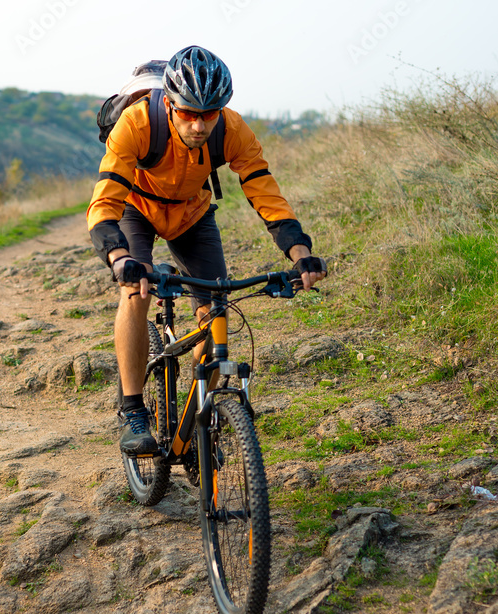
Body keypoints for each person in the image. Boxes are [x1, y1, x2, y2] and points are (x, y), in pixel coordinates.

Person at [86, 45, 327, 455]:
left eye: (209, 114)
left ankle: (200, 414)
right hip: (136, 209)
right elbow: (105, 200)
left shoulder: (232, 129)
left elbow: (263, 189)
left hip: (192, 215)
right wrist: (119, 257)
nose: (199, 126)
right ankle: (133, 410)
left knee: (215, 309)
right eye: (189, 114)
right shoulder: (138, 123)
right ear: (170, 104)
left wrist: (299, 252)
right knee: (135, 292)